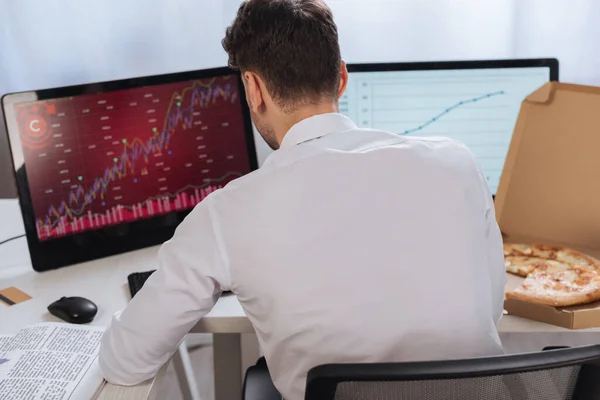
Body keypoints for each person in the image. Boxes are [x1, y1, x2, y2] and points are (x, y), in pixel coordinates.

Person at [98, 0, 506, 399]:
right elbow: (488, 314)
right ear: (342, 78)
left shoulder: (227, 213)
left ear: (254, 89)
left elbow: (125, 362)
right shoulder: (457, 162)